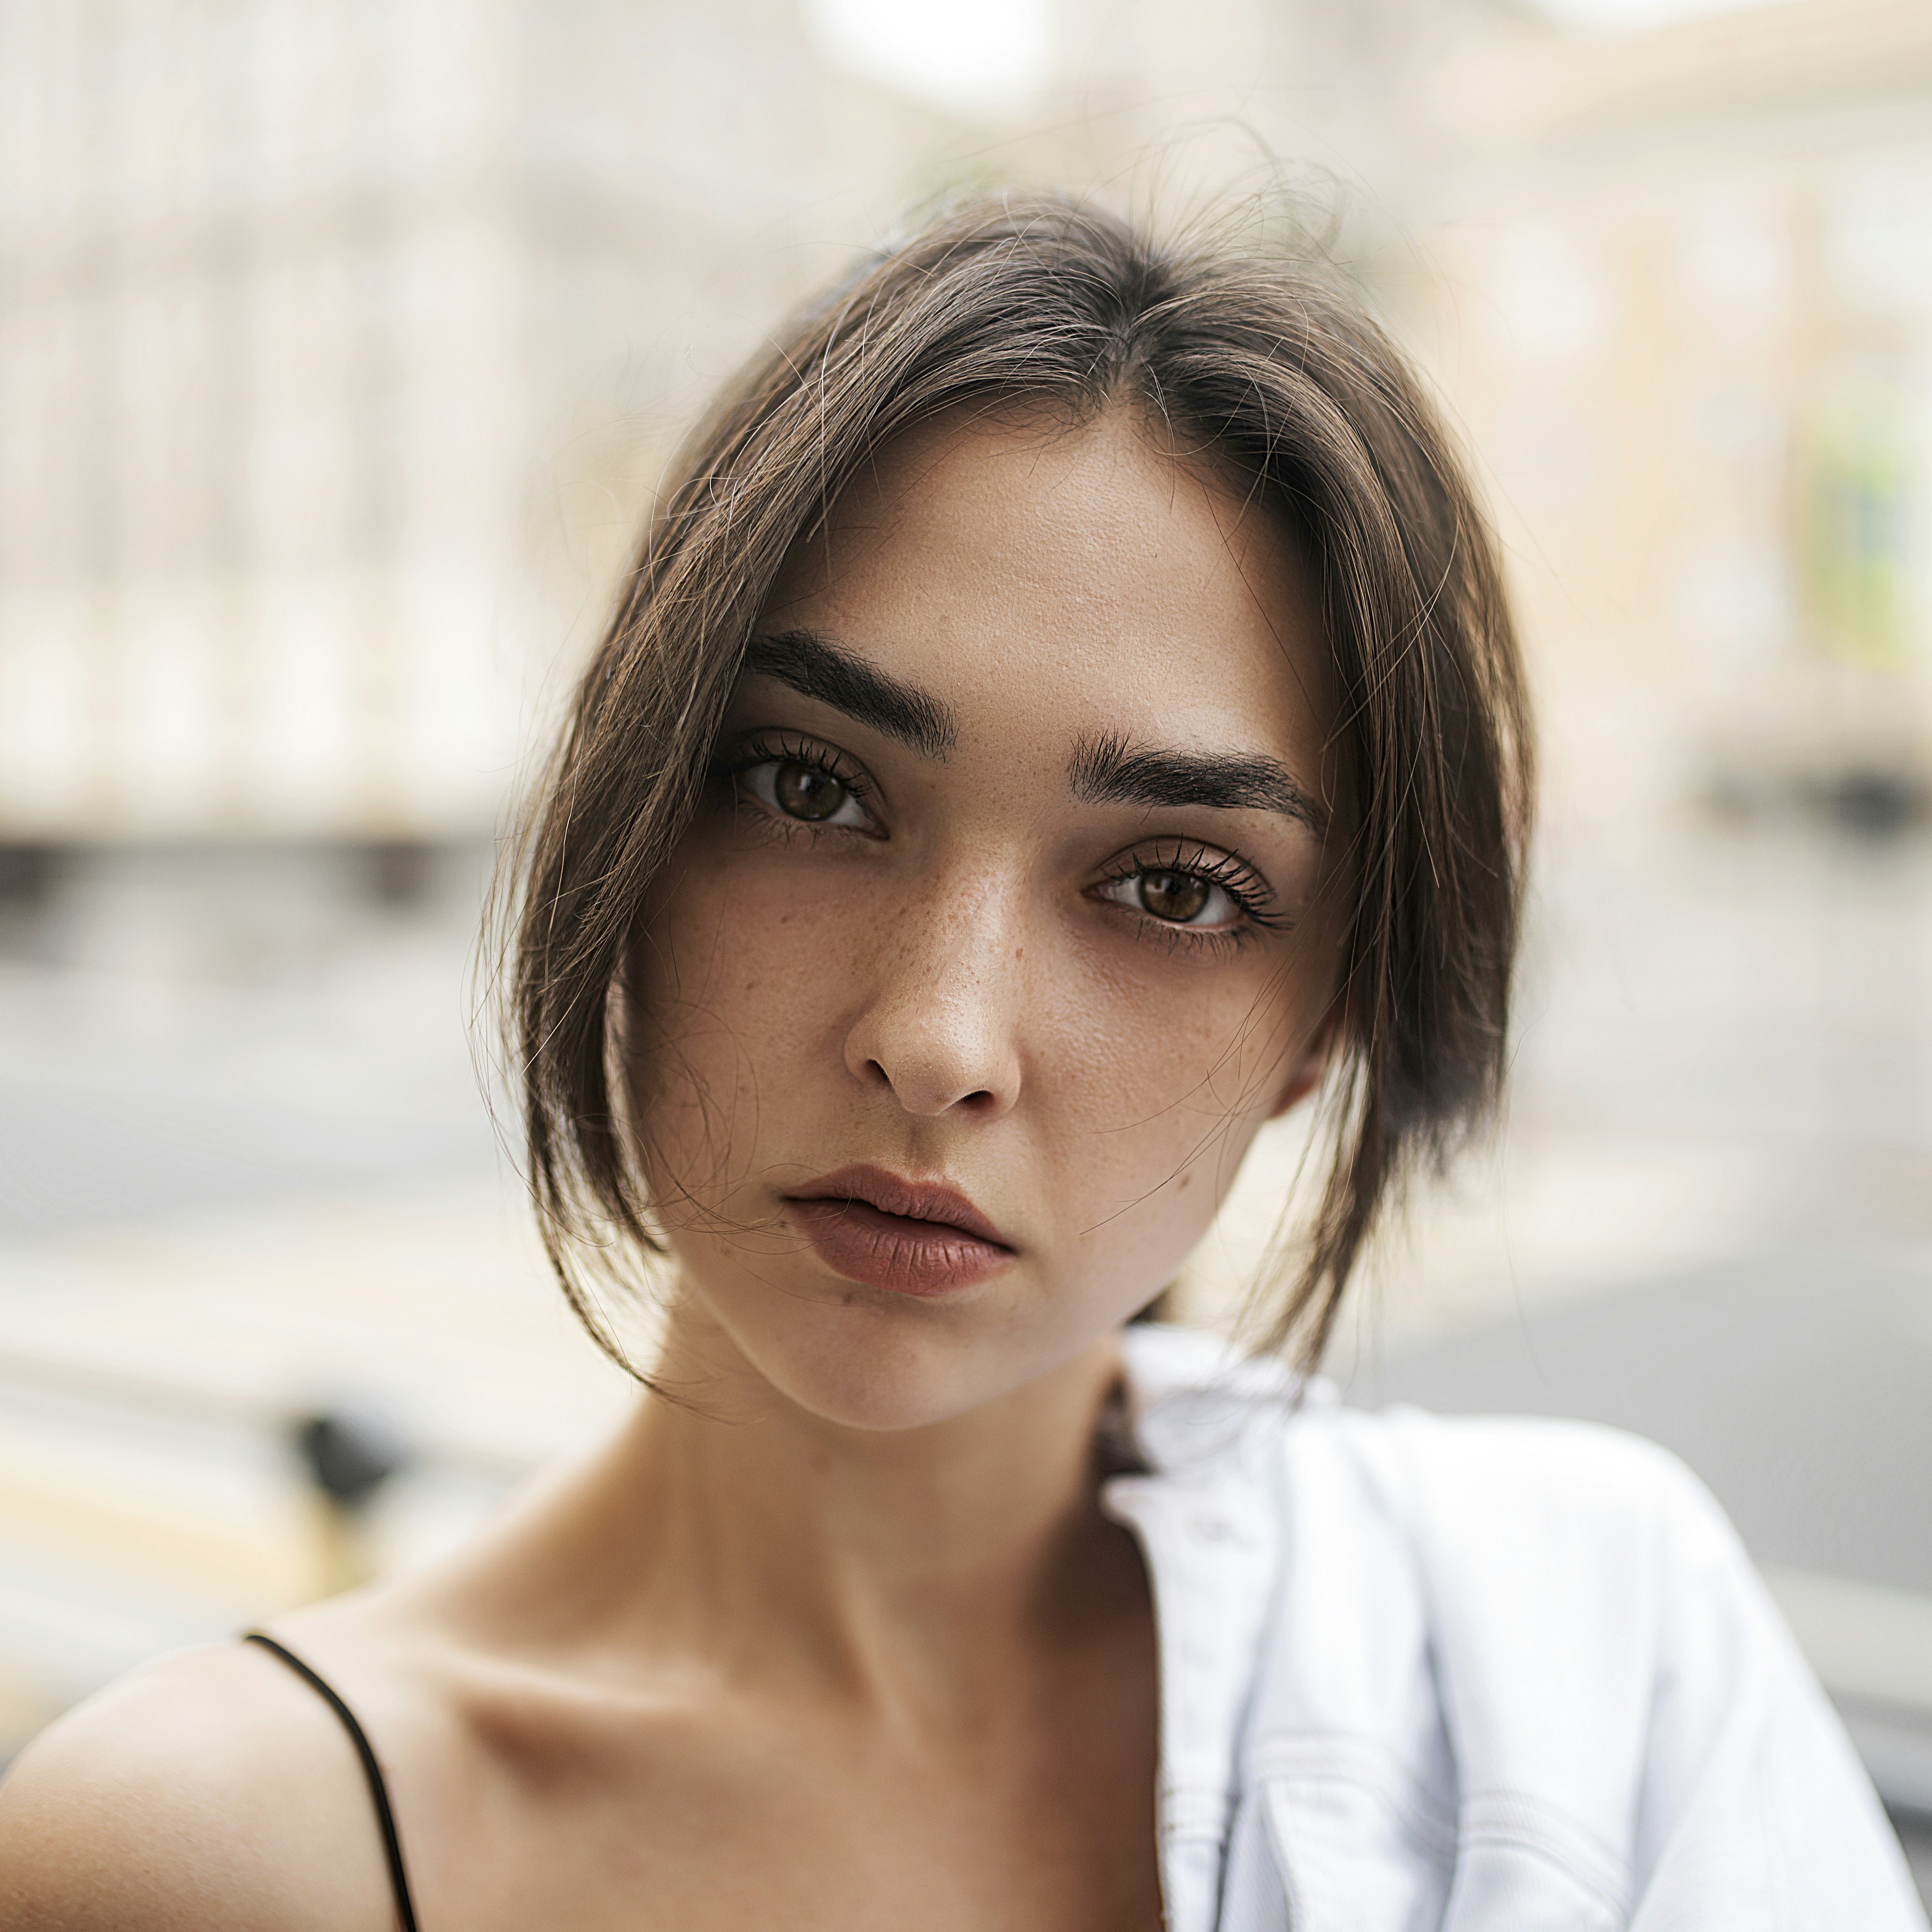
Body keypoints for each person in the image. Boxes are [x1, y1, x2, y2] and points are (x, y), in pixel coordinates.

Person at [0, 195, 1921, 1932]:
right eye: (809, 786)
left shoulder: (1574, 1667)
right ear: (628, 816)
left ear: (1326, 1015)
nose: (934, 1035)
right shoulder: (219, 1853)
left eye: (1172, 885)